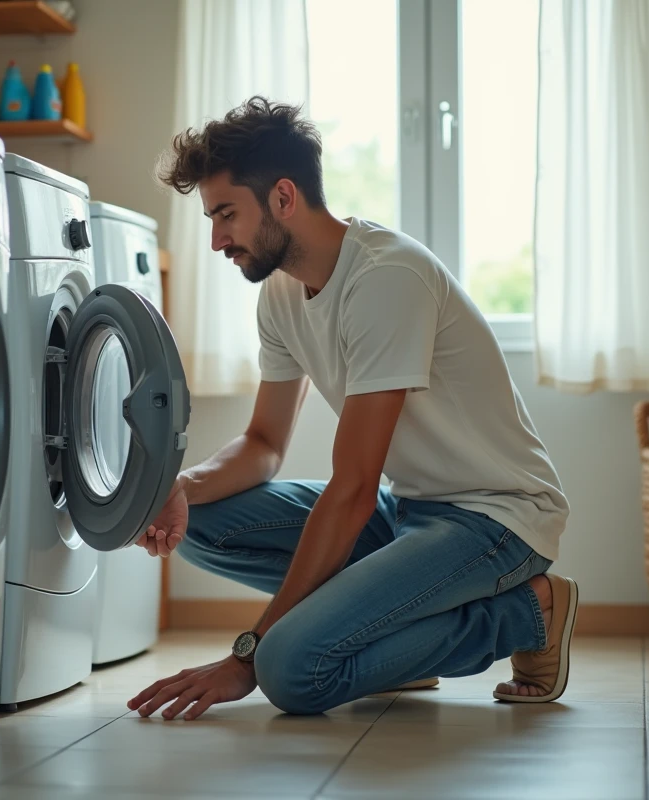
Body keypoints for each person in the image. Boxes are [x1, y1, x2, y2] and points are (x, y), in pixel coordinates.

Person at [126, 97, 576, 722]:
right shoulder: (280, 295)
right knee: (195, 519)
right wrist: (181, 485)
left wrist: (246, 655)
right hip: (413, 510)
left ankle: (530, 612)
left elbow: (354, 487)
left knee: (288, 670)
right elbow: (262, 443)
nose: (215, 239)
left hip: (495, 518)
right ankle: (387, 642)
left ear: (283, 197)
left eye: (226, 214)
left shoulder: (388, 279)